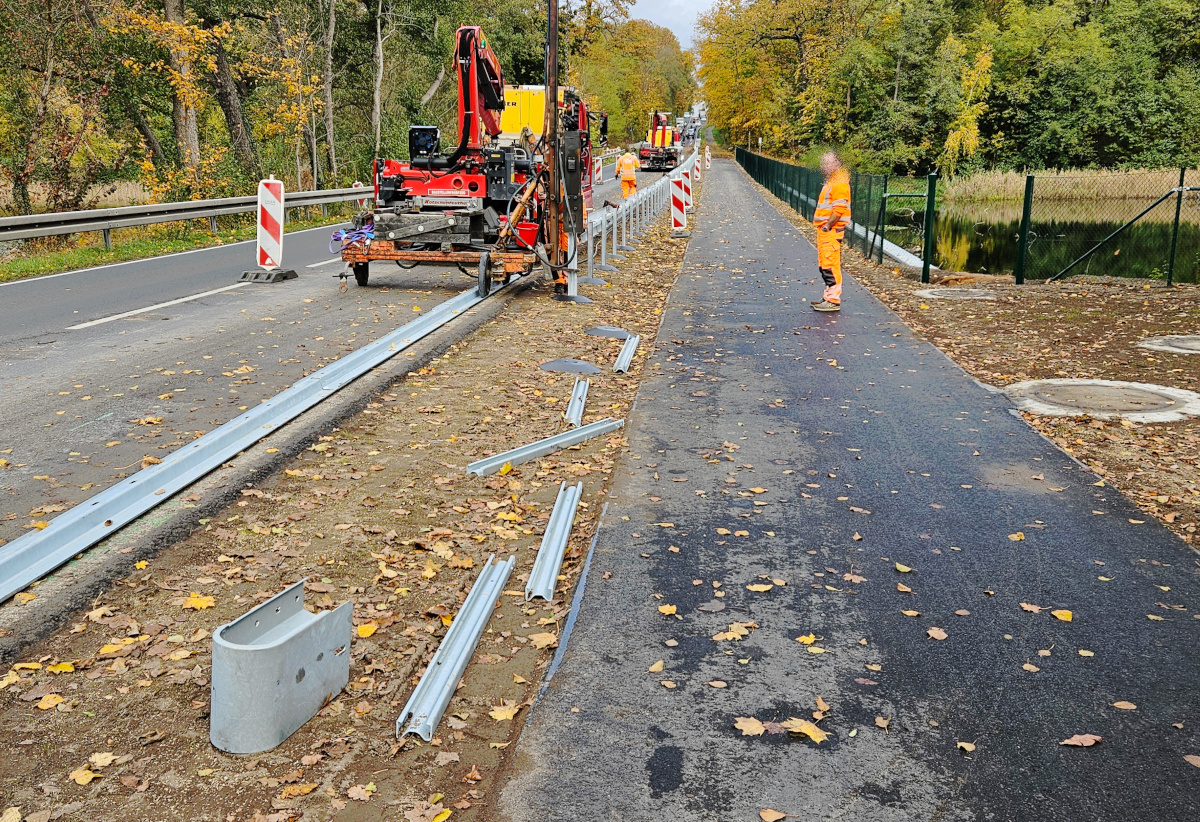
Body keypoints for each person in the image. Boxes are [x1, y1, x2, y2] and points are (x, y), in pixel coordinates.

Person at [812, 151, 851, 312]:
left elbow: (839, 208)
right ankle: (828, 296)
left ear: (837, 163)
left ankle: (833, 300)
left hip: (831, 230)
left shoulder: (839, 182)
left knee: (830, 264)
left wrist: (828, 225)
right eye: (824, 162)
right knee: (824, 265)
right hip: (825, 229)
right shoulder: (833, 181)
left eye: (828, 162)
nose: (824, 165)